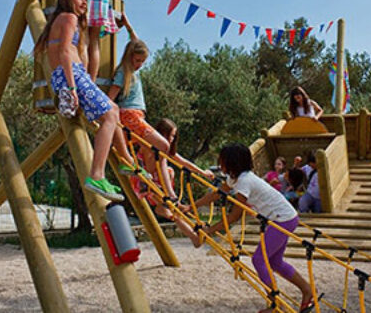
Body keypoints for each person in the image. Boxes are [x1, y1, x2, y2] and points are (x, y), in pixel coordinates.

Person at [34, 0, 136, 202]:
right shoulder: (68, 18)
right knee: (110, 115)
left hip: (69, 75)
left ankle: (126, 161)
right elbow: (63, 52)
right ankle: (97, 174)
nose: (84, 3)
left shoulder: (63, 21)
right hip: (71, 74)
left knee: (114, 110)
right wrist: (71, 87)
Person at [192, 144, 314, 313]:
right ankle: (307, 291)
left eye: (222, 161)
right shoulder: (235, 178)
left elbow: (235, 216)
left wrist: (209, 231)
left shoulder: (244, 181)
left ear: (232, 162)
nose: (220, 165)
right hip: (285, 217)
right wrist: (192, 206)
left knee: (258, 259)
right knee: (275, 262)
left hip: (282, 219)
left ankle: (274, 304)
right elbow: (217, 194)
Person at [106, 19, 178, 200]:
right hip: (129, 115)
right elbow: (110, 97)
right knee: (163, 146)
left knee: (159, 151)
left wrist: (128, 25)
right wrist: (108, 115)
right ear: (130, 57)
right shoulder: (124, 72)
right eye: (137, 60)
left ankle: (165, 191)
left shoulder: (133, 69)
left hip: (136, 116)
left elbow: (135, 41)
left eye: (142, 62)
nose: (139, 64)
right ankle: (155, 185)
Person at [133, 119, 214, 240]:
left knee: (174, 212)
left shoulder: (163, 150)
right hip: (144, 183)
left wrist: (203, 173)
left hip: (157, 185)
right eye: (171, 136)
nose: (171, 139)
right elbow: (149, 169)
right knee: (166, 165)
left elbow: (184, 162)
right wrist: (161, 157)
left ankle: (193, 236)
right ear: (162, 134)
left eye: (174, 136)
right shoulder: (147, 146)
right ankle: (170, 199)